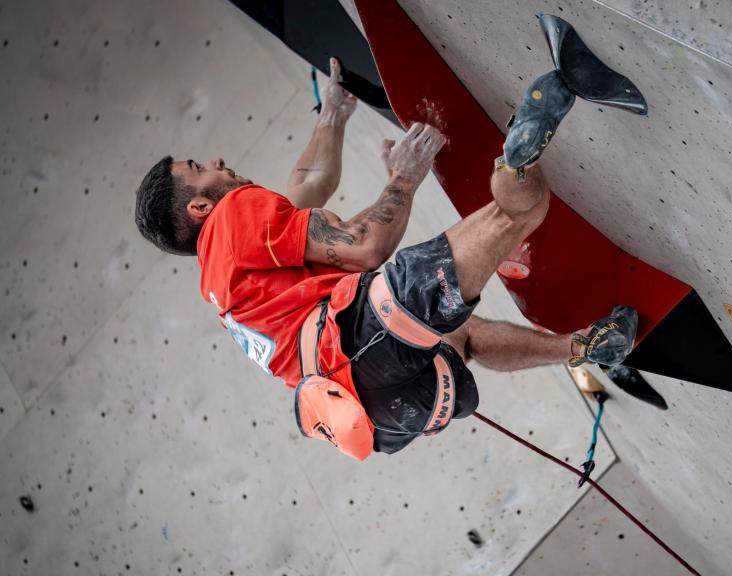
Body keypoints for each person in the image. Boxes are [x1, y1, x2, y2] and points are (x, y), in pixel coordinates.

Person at [134, 57, 637, 460]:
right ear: (200, 207)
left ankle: (586, 347)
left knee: (464, 333)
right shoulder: (234, 216)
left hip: (376, 410)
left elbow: (306, 192)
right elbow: (365, 248)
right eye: (199, 168)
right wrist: (405, 175)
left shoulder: (223, 280)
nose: (216, 161)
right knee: (513, 215)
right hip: (360, 336)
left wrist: (333, 113)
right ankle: (520, 147)